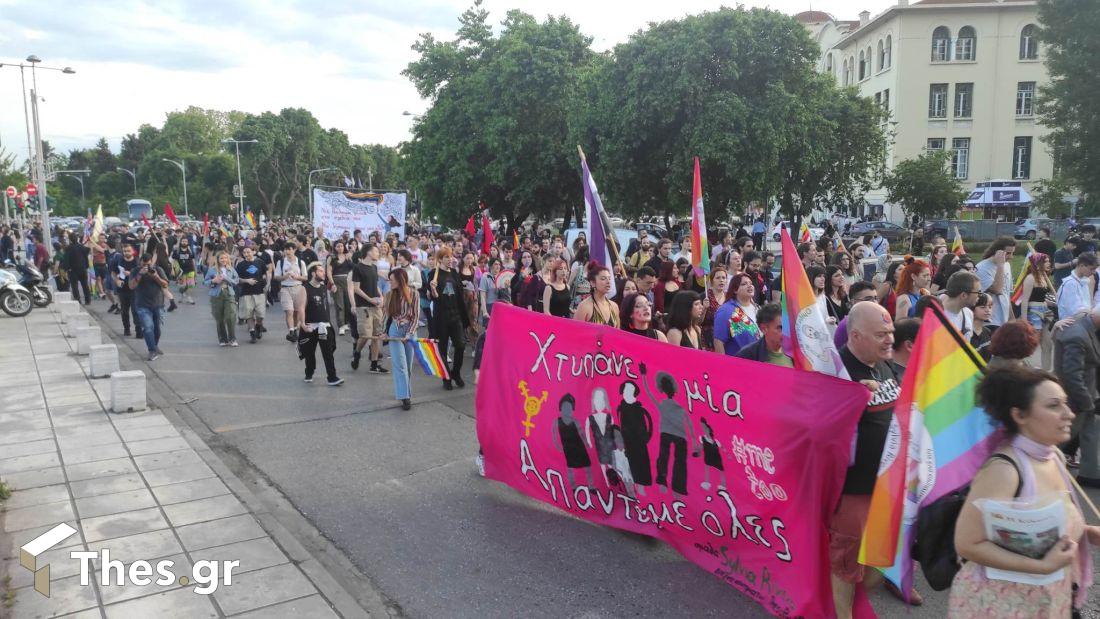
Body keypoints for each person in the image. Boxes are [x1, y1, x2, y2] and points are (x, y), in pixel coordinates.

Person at [949, 366, 1096, 617]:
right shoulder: (1004, 470)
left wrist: (1086, 532)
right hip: (999, 605)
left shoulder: (1053, 455)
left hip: (1050, 599)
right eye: (1053, 406)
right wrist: (1039, 566)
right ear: (1019, 415)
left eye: (1066, 404)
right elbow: (967, 543)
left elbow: (1041, 526)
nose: (1069, 414)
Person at [832, 302, 901, 615]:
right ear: (856, 336)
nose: (890, 339)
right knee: (846, 563)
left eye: (891, 332)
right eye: (881, 334)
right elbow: (814, 425)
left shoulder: (883, 363)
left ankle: (843, 601)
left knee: (879, 563)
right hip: (854, 489)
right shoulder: (835, 370)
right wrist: (847, 400)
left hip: (885, 485)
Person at [1053, 308, 1100, 480]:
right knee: (1063, 435)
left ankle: (1090, 472)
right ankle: (1041, 467)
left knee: (1091, 430)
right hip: (1076, 395)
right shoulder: (1078, 335)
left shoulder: (1086, 320)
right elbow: (1072, 375)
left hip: (1088, 391)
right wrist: (1086, 402)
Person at [427, 246, 470, 389]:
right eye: (446, 257)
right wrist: (432, 289)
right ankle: (446, 377)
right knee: (442, 348)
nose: (450, 259)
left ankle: (455, 373)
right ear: (440, 259)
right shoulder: (434, 274)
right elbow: (434, 297)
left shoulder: (454, 273)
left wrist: (464, 316)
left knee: (460, 345)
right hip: (442, 316)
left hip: (456, 314)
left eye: (450, 256)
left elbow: (459, 295)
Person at [297, 262, 343, 386]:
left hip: (324, 325)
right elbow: (301, 308)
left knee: (328, 353)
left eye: (323, 271)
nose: (323, 273)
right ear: (313, 273)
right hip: (310, 326)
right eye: (321, 271)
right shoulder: (305, 288)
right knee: (309, 353)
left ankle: (332, 377)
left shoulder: (323, 287)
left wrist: (333, 287)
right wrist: (302, 324)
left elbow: (332, 290)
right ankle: (309, 372)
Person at [350, 243, 388, 373]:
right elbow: (356, 288)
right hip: (363, 306)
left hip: (376, 305)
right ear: (369, 253)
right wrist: (369, 299)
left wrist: (380, 296)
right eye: (376, 251)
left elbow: (376, 285)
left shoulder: (374, 267)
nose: (378, 253)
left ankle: (374, 364)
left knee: (377, 335)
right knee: (366, 335)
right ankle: (357, 352)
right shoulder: (358, 268)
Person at [384, 268, 419, 410]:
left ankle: (405, 392)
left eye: (391, 280)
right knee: (400, 365)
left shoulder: (414, 294)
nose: (390, 282)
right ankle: (405, 396)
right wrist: (383, 332)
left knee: (408, 366)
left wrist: (409, 334)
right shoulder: (389, 295)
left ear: (400, 280)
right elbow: (386, 316)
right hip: (395, 330)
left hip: (410, 330)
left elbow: (416, 317)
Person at [1018, 252, 1056, 369]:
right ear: (1038, 263)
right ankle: (1025, 368)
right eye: (1046, 261)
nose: (1049, 263)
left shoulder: (1044, 277)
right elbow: (1025, 300)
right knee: (1033, 343)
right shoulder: (1030, 278)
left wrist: (1056, 303)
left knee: (1048, 344)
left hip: (1046, 310)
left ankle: (1046, 371)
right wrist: (1024, 319)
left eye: (1049, 261)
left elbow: (1042, 297)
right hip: (1034, 312)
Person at [130, 252, 169, 361]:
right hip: (142, 305)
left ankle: (154, 346)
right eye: (144, 264)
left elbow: (165, 284)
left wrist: (156, 276)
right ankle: (152, 350)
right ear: (140, 262)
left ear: (152, 262)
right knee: (147, 328)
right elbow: (131, 286)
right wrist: (140, 275)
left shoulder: (158, 270)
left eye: (148, 264)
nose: (146, 267)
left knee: (157, 330)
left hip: (158, 304)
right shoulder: (135, 271)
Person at [713, 272, 760, 355]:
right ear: (735, 290)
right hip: (737, 363)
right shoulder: (726, 311)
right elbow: (718, 342)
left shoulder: (758, 309)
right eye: (744, 284)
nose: (749, 286)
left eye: (750, 283)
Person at [976, 237, 1017, 329]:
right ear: (998, 252)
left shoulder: (1006, 265)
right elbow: (997, 290)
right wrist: (1000, 265)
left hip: (1004, 320)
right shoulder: (982, 268)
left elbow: (1006, 294)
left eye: (1012, 253)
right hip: (990, 320)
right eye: (1008, 253)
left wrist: (1012, 318)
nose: (1011, 257)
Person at [204, 251, 241, 347]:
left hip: (229, 293)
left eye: (225, 258)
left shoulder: (231, 269)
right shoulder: (212, 270)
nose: (224, 260)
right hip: (216, 295)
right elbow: (205, 282)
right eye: (221, 258)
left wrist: (226, 278)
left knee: (231, 316)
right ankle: (222, 339)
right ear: (218, 260)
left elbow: (236, 281)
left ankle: (232, 338)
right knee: (219, 318)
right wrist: (214, 281)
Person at [275, 243, 308, 341]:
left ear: (294, 250)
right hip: (285, 288)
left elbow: (305, 277)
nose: (287, 251)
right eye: (286, 249)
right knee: (289, 311)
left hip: (298, 287)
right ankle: (291, 331)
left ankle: (294, 330)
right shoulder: (281, 262)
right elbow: (276, 277)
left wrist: (297, 277)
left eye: (289, 249)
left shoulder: (300, 262)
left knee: (297, 312)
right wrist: (284, 277)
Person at [235, 245, 267, 343]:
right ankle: (252, 333)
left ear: (253, 252)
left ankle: (258, 326)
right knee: (249, 314)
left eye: (248, 252)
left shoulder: (260, 262)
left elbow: (265, 273)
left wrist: (266, 283)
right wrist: (246, 280)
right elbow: (237, 279)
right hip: (246, 292)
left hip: (259, 292)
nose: (247, 254)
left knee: (260, 314)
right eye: (244, 253)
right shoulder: (240, 265)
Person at [110, 243, 142, 338]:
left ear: (132, 251)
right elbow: (113, 273)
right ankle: (126, 329)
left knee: (135, 311)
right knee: (124, 311)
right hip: (122, 290)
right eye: (124, 251)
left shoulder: (137, 262)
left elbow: (142, 275)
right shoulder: (118, 260)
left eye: (128, 251)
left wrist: (131, 273)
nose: (126, 253)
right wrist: (117, 280)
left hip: (135, 290)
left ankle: (138, 331)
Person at [573, 262, 619, 327]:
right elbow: (575, 331)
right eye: (603, 278)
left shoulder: (614, 307)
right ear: (593, 283)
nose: (608, 282)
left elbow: (618, 333)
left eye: (609, 278)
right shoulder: (584, 307)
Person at [1057, 251, 1099, 320]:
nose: (1094, 272)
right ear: (1081, 265)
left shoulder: (1084, 281)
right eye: (1092, 269)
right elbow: (1076, 312)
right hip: (1072, 327)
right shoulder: (1070, 284)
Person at [940, 271, 981, 341]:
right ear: (963, 295)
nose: (979, 296)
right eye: (978, 292)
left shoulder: (968, 313)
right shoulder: (937, 317)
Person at [328, 240, 354, 336]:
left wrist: (350, 258)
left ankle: (347, 323)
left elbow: (353, 268)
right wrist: (332, 283)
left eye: (342, 246)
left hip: (348, 281)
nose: (340, 248)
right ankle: (341, 325)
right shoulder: (332, 257)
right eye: (338, 246)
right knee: (339, 304)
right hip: (336, 281)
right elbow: (329, 271)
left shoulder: (348, 256)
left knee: (348, 303)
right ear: (335, 247)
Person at [701, 267, 727, 350]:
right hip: (708, 338)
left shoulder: (730, 297)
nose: (721, 280)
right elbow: (696, 322)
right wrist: (704, 309)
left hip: (725, 339)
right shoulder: (704, 296)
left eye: (723, 278)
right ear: (712, 281)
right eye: (718, 278)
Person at [171, 235, 197, 305]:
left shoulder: (190, 250)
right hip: (181, 271)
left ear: (188, 242)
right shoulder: (177, 251)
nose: (184, 243)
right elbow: (173, 261)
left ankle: (189, 297)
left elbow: (192, 260)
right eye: (183, 241)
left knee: (190, 285)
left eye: (186, 241)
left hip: (190, 269)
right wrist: (172, 270)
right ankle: (182, 295)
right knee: (183, 285)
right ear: (181, 242)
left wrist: (195, 270)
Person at [67, 232, 92, 305]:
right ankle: (88, 300)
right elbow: (87, 252)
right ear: (77, 238)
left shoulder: (68, 248)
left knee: (74, 286)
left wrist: (67, 268)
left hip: (73, 270)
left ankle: (78, 300)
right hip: (82, 269)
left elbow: (67, 259)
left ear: (70, 239)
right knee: (85, 285)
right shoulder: (81, 247)